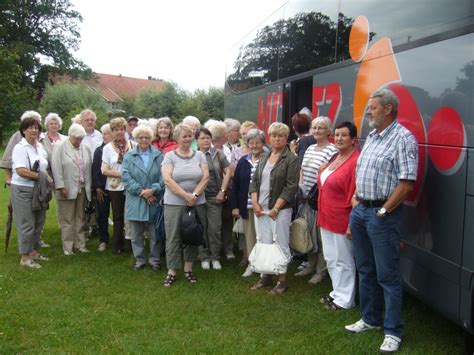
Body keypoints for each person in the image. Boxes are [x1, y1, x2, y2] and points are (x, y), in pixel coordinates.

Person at [345, 89, 418, 353]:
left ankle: (392, 331)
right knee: (365, 270)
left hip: (381, 216)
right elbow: (363, 172)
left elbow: (407, 182)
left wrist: (384, 211)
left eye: (373, 108)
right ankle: (370, 319)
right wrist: (355, 199)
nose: (368, 112)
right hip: (361, 211)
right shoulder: (373, 138)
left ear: (388, 109)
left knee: (387, 275)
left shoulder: (403, 138)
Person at [249, 122, 299, 295]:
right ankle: (265, 275)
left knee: (280, 244)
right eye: (274, 135)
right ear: (269, 138)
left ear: (286, 138)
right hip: (260, 209)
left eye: (281, 136)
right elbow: (254, 181)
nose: (277, 139)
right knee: (264, 242)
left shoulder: (291, 159)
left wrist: (276, 208)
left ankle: (282, 280)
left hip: (279, 210)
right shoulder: (264, 156)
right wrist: (255, 204)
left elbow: (291, 186)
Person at [317, 121, 359, 310]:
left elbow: (354, 194)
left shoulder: (355, 161)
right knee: (331, 258)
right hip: (326, 217)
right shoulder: (336, 156)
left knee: (344, 260)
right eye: (337, 135)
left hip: (342, 219)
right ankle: (337, 292)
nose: (340, 138)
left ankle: (345, 300)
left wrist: (352, 223)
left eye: (344, 135)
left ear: (353, 139)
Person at [161, 123, 209, 286]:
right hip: (174, 203)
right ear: (177, 138)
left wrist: (194, 195)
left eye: (190, 136)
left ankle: (189, 269)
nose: (188, 139)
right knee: (173, 236)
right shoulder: (169, 156)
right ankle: (172, 270)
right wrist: (185, 195)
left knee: (192, 235)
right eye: (184, 136)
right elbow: (167, 179)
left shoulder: (200, 156)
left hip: (197, 202)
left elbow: (205, 177)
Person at [296, 116, 338, 284]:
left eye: (321, 128)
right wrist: (301, 188)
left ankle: (321, 270)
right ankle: (310, 265)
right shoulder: (310, 148)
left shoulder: (333, 150)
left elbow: (330, 175)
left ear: (329, 131)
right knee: (309, 232)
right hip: (305, 198)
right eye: (314, 127)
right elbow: (302, 169)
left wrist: (312, 193)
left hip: (320, 199)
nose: (317, 131)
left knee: (321, 237)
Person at [10, 117, 52, 268]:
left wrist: (47, 177)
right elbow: (20, 171)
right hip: (23, 189)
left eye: (36, 128)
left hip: (38, 190)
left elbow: (43, 167)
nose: (34, 130)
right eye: (30, 127)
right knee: (26, 223)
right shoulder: (20, 148)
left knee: (38, 221)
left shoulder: (39, 147)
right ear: (23, 130)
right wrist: (42, 178)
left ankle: (33, 251)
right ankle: (25, 257)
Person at [122, 124, 164, 271]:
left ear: (151, 139)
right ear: (136, 138)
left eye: (147, 137)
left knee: (155, 234)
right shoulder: (129, 156)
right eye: (141, 137)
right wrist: (142, 192)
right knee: (136, 234)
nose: (144, 140)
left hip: (154, 199)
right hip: (136, 199)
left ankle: (154, 260)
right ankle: (139, 259)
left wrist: (153, 190)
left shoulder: (159, 156)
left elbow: (163, 177)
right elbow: (126, 178)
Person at [51, 123, 92, 255]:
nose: (79, 142)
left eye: (81, 139)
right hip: (67, 188)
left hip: (82, 187)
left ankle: (80, 244)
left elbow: (88, 169)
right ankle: (68, 247)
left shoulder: (85, 148)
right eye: (77, 139)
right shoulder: (59, 147)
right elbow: (56, 169)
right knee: (67, 219)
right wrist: (61, 186)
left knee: (80, 217)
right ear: (70, 136)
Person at [231, 128, 266, 277]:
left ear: (263, 143)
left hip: (264, 207)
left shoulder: (268, 159)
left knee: (265, 238)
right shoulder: (243, 162)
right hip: (247, 206)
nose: (254, 146)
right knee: (250, 237)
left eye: (257, 143)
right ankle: (252, 265)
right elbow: (236, 185)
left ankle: (265, 267)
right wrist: (235, 207)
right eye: (251, 143)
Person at [196, 127, 232, 270]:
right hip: (198, 197)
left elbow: (229, 171)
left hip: (214, 197)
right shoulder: (193, 155)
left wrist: (222, 191)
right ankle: (204, 256)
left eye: (208, 137)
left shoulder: (218, 154)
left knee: (215, 228)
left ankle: (215, 257)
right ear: (196, 140)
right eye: (202, 138)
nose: (205, 140)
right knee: (201, 228)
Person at [102, 117, 133, 254]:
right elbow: (104, 169)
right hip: (115, 187)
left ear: (125, 130)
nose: (119, 132)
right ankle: (118, 245)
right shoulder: (108, 148)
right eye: (116, 130)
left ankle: (133, 243)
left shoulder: (133, 145)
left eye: (121, 129)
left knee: (131, 215)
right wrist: (122, 175)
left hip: (132, 186)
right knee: (118, 216)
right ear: (112, 131)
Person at [92, 124, 113, 252]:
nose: (104, 136)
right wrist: (98, 187)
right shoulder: (99, 150)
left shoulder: (120, 148)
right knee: (102, 214)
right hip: (103, 188)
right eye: (103, 133)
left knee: (118, 215)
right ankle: (103, 239)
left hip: (117, 187)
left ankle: (119, 239)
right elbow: (95, 170)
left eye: (106, 133)